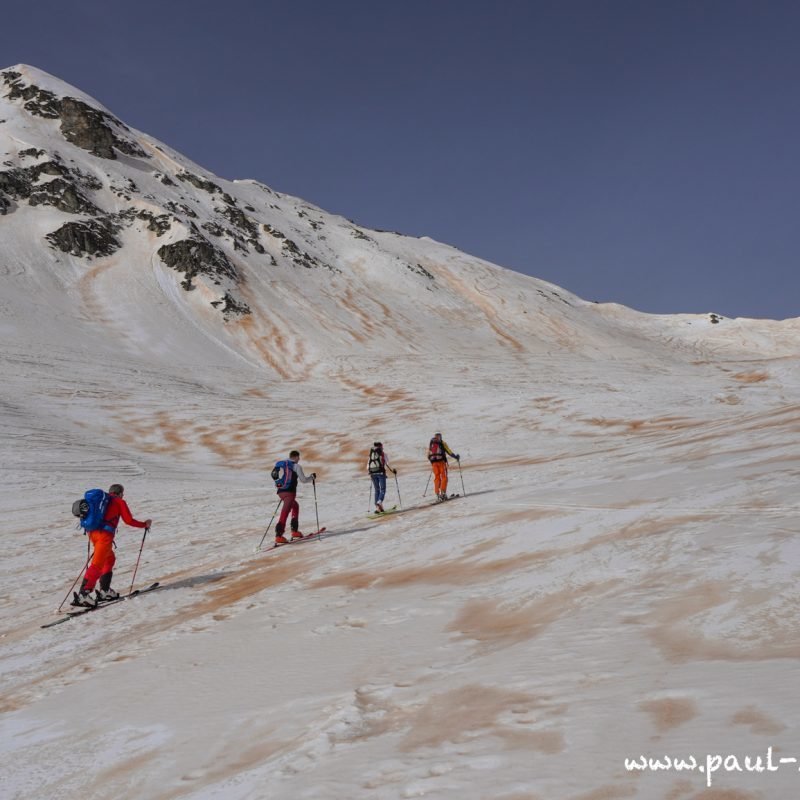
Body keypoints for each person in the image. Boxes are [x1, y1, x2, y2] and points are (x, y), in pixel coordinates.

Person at [74, 484, 152, 607]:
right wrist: (144, 524)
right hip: (104, 536)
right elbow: (129, 521)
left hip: (93, 533)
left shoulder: (102, 501)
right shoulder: (119, 502)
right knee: (97, 564)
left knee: (109, 559)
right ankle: (83, 594)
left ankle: (105, 591)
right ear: (120, 493)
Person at [271, 450, 316, 544]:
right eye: (298, 457)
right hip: (289, 492)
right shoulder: (296, 466)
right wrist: (312, 477)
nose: (299, 459)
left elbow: (275, 475)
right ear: (295, 457)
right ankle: (279, 536)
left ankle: (294, 531)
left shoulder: (282, 464)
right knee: (285, 511)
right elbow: (303, 480)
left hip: (280, 492)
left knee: (295, 506)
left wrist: (279, 484)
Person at [427, 432, 459, 501]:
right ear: (440, 436)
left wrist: (432, 462)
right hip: (441, 462)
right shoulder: (442, 443)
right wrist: (456, 457)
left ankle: (437, 494)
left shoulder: (431, 443)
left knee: (437, 478)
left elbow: (428, 455)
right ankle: (443, 493)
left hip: (434, 464)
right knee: (444, 477)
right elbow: (449, 452)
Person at [367, 442, 396, 513]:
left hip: (372, 474)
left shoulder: (371, 454)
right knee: (383, 489)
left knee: (377, 490)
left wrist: (371, 473)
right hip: (381, 473)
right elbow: (388, 464)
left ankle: (378, 508)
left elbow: (367, 466)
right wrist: (394, 471)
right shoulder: (383, 454)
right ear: (381, 447)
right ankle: (379, 502)